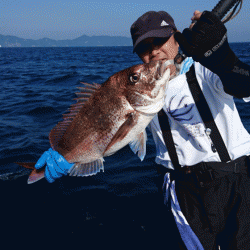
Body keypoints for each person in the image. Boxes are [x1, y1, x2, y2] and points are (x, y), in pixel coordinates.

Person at [130, 10, 250, 250]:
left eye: (159, 41)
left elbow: (243, 84)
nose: (153, 52)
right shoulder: (138, 89)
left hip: (236, 180)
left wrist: (222, 57)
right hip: (181, 190)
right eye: (144, 47)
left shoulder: (206, 68)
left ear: (176, 37)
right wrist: (69, 157)